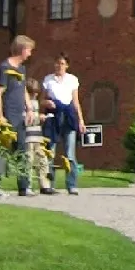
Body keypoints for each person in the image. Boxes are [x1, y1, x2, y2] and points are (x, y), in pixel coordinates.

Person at [0, 35, 35, 197]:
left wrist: (30, 108)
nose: (30, 54)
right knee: (2, 151)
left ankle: (24, 187)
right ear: (22, 49)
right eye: (29, 50)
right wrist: (0, 116)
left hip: (20, 115)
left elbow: (23, 88)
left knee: (22, 150)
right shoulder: (5, 67)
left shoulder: (22, 69)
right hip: (8, 114)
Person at [42, 54, 85, 195]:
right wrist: (46, 103)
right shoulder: (48, 80)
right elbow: (42, 99)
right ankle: (50, 183)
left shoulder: (72, 80)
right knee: (50, 152)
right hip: (53, 115)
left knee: (70, 153)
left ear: (67, 65)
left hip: (68, 115)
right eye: (57, 63)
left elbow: (75, 102)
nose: (59, 66)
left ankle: (71, 184)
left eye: (62, 63)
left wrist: (81, 121)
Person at [23, 79, 53, 195]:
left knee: (42, 161)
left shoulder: (35, 102)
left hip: (38, 136)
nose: (35, 94)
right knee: (28, 161)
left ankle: (45, 185)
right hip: (28, 137)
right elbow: (25, 120)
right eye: (32, 92)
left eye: (36, 92)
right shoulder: (25, 104)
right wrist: (38, 118)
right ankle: (27, 185)